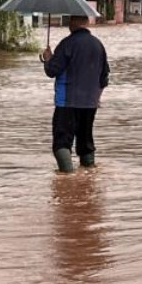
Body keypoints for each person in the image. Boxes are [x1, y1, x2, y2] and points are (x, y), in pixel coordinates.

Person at [40, 15, 110, 172]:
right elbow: (104, 78)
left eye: (70, 20)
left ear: (72, 23)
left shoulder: (67, 44)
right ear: (86, 22)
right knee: (85, 141)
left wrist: (47, 59)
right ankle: (88, 174)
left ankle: (67, 177)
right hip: (90, 103)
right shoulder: (98, 45)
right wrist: (96, 99)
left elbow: (52, 71)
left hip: (67, 102)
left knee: (62, 141)